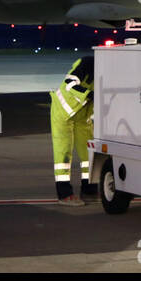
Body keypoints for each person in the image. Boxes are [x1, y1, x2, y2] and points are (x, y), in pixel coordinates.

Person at [51, 55, 95, 202]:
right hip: (63, 112)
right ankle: (64, 194)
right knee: (63, 155)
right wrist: (89, 94)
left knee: (89, 155)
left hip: (83, 117)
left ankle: (89, 190)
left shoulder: (113, 72)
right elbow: (70, 83)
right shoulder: (88, 63)